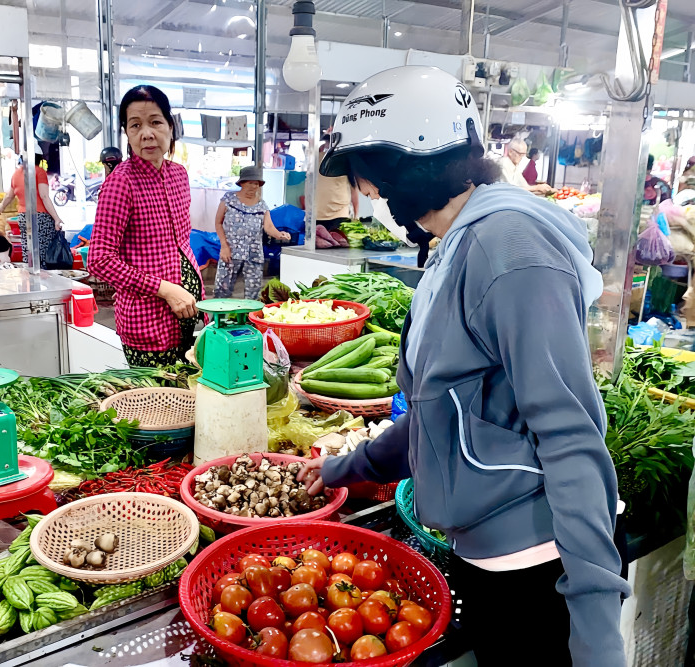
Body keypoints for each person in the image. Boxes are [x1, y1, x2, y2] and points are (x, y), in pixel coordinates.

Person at [299, 65, 629, 667]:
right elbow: (443, 410)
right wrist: (351, 466)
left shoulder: (511, 251)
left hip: (540, 571)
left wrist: (597, 629)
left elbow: (571, 436)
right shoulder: (455, 245)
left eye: (369, 176)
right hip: (487, 557)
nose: (366, 196)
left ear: (411, 166)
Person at [88, 84, 204, 367]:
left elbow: (180, 244)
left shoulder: (179, 175)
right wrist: (166, 289)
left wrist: (193, 293)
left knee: (190, 388)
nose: (147, 133)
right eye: (136, 125)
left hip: (189, 312)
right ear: (127, 133)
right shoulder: (120, 182)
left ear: (170, 126)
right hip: (149, 322)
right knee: (159, 394)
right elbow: (99, 260)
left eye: (155, 122)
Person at [214, 165, 290, 299]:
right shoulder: (228, 199)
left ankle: (250, 312)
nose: (254, 186)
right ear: (242, 183)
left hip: (253, 254)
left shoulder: (262, 204)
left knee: (253, 293)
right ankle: (219, 313)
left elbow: (268, 227)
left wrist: (280, 234)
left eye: (256, 183)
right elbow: (218, 223)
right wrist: (224, 246)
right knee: (222, 290)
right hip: (230, 253)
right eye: (250, 183)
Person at [0, 142, 65, 267]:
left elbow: (9, 196)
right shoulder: (39, 172)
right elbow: (44, 196)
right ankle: (44, 276)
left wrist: (0, 208)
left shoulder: (16, 173)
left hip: (23, 216)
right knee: (44, 252)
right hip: (40, 217)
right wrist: (56, 218)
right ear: (39, 157)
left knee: (28, 248)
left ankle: (29, 274)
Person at [316, 140, 361, 231]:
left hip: (337, 215)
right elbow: (354, 190)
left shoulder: (346, 160)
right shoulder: (317, 159)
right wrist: (356, 215)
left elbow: (353, 189)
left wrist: (356, 215)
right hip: (320, 215)